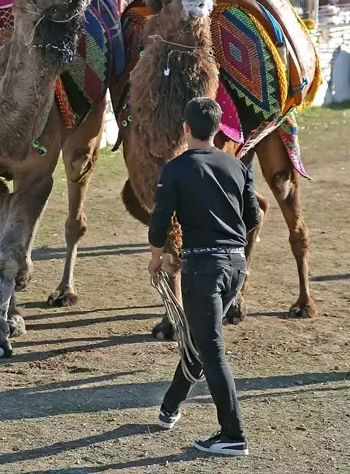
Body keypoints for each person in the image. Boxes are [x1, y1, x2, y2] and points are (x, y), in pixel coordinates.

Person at [148, 97, 257, 458]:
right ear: (217, 128)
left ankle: (233, 434)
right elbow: (253, 216)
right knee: (199, 339)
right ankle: (169, 409)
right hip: (235, 267)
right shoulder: (238, 165)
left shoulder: (176, 169)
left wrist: (155, 259)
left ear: (185, 128)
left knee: (211, 350)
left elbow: (160, 220)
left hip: (203, 270)